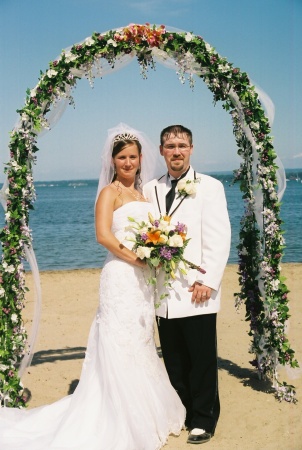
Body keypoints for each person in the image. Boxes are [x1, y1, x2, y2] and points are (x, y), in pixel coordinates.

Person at [0, 123, 185, 450]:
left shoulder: (142, 195)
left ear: (141, 158)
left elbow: (153, 233)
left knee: (141, 341)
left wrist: (157, 252)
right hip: (121, 276)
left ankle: (144, 411)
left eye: (132, 157)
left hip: (143, 281)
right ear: (112, 161)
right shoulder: (109, 193)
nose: (128, 163)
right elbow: (103, 235)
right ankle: (118, 418)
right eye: (122, 158)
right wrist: (137, 259)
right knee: (118, 341)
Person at [143, 125, 231, 445]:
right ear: (161, 151)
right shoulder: (150, 188)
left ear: (192, 148)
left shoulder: (209, 187)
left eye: (181, 145)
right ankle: (182, 411)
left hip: (196, 289)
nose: (176, 151)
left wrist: (208, 280)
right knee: (175, 359)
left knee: (201, 358)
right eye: (170, 146)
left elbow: (219, 238)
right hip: (163, 292)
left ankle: (204, 419)